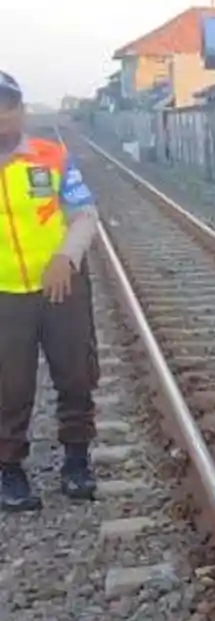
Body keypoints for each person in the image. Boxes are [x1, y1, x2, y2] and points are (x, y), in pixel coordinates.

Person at [0, 70, 101, 512]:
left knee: (76, 374)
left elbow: (84, 214)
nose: (3, 114)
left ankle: (76, 461)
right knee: (9, 386)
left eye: (9, 105)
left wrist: (67, 257)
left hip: (62, 287)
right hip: (5, 295)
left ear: (21, 109)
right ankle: (9, 471)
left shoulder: (52, 157)